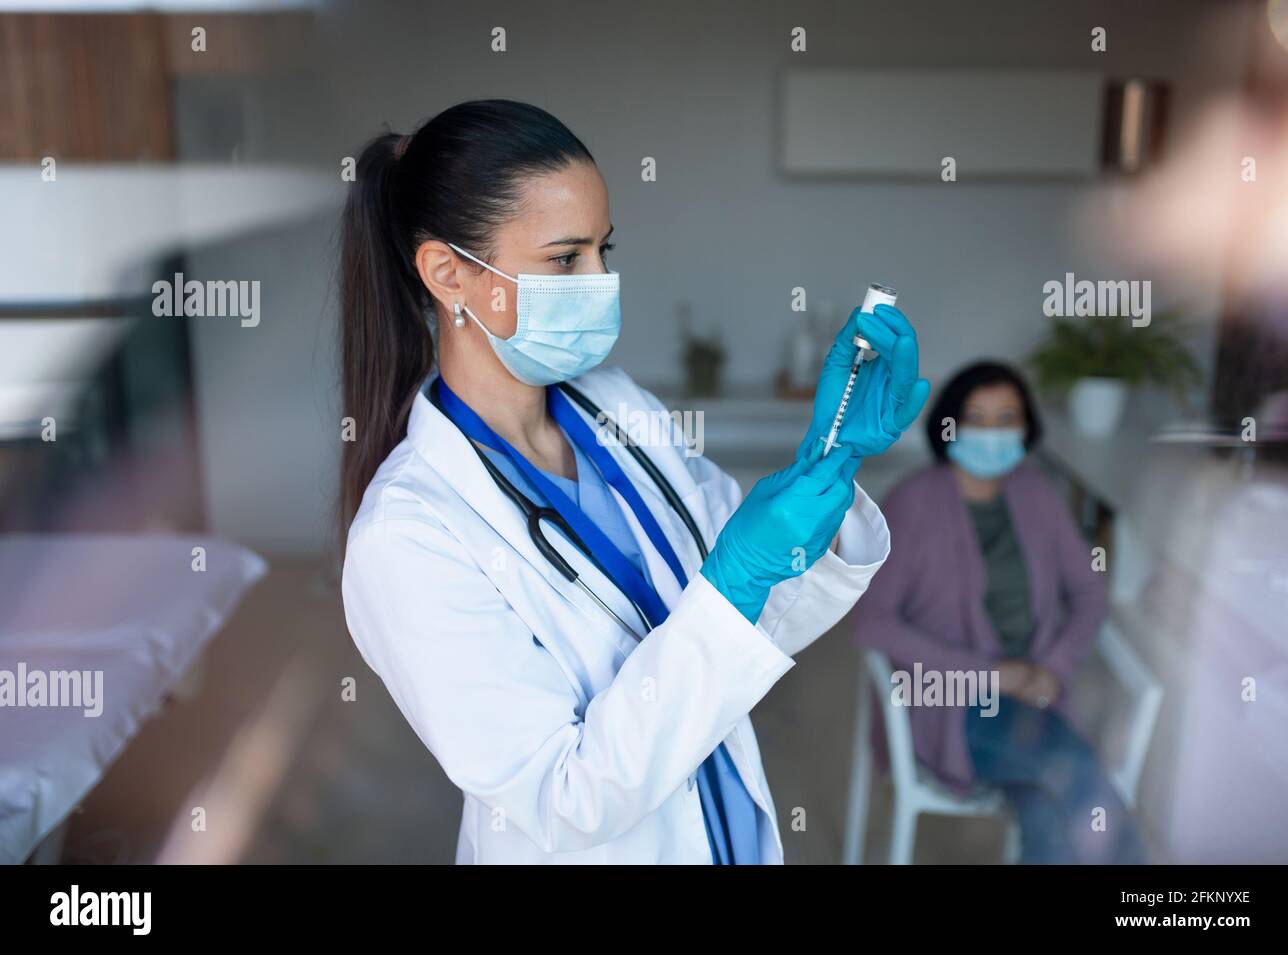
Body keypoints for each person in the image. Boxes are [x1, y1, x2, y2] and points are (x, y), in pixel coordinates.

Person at [336, 99, 929, 864]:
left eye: (603, 250)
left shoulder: (615, 405)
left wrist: (829, 464)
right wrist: (736, 577)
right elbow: (565, 799)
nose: (600, 280)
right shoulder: (409, 534)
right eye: (565, 257)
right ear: (449, 273)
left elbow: (752, 614)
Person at [854, 360, 1145, 864]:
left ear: (1026, 427)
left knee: (1045, 811)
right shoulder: (911, 503)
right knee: (1075, 778)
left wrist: (1051, 669)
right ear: (948, 425)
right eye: (976, 418)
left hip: (1036, 697)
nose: (991, 433)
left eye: (1006, 417)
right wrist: (994, 676)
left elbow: (1088, 593)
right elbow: (872, 621)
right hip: (949, 702)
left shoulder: (1036, 495)